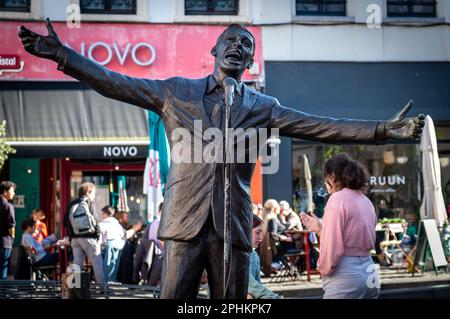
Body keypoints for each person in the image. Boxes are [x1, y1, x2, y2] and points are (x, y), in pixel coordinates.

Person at [19, 20, 424, 298]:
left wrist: (382, 131)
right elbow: (114, 83)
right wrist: (64, 56)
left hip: (233, 226)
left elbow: (319, 125)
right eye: (230, 40)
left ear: (250, 62)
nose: (237, 46)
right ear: (213, 50)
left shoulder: (263, 106)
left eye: (245, 45)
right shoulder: (175, 92)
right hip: (184, 224)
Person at [300, 154, 380, 299]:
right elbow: (352, 235)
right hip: (369, 269)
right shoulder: (365, 201)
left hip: (345, 273)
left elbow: (333, 246)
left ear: (332, 176)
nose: (325, 181)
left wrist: (323, 269)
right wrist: (320, 229)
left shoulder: (337, 199)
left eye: (326, 177)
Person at [63, 182, 105, 284]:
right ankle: (103, 289)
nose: (94, 196)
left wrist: (72, 235)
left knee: (77, 265)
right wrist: (98, 236)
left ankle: (76, 289)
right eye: (93, 193)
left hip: (75, 240)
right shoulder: (88, 202)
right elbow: (95, 220)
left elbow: (65, 222)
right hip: (89, 238)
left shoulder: (72, 204)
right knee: (97, 263)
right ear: (88, 192)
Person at [247, 214, 281, 299]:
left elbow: (257, 285)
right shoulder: (237, 256)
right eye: (257, 232)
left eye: (262, 233)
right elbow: (248, 284)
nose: (261, 237)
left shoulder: (254, 255)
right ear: (245, 231)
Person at [134, 202, 164, 286]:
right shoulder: (161, 224)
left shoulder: (153, 223)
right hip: (160, 256)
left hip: (150, 256)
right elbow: (162, 243)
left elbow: (144, 240)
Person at [99, 206, 126, 283]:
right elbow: (123, 236)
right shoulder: (117, 225)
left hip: (107, 246)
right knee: (114, 267)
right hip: (118, 246)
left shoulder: (102, 224)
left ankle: (104, 287)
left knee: (105, 268)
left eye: (102, 213)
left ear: (105, 214)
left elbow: (99, 238)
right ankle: (111, 284)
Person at [0, 181, 16, 280]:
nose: (14, 193)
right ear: (5, 192)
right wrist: (12, 237)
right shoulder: (8, 206)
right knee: (3, 271)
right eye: (12, 191)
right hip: (5, 242)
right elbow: (11, 226)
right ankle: (2, 293)